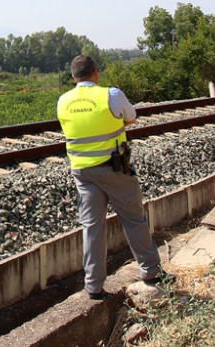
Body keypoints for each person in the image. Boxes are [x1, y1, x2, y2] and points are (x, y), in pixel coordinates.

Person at [57, 54, 162, 300]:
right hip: (114, 167)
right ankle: (151, 271)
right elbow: (131, 117)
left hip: (82, 171)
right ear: (96, 73)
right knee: (134, 218)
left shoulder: (63, 100)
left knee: (92, 227)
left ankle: (93, 286)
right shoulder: (110, 94)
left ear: (73, 77)